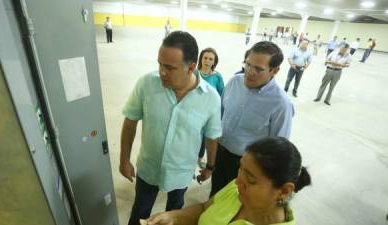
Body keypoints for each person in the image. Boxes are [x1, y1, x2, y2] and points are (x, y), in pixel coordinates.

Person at [119, 31, 222, 225]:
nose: (161, 72)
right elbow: (130, 122)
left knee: (175, 214)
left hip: (181, 172)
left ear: (191, 67)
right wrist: (124, 159)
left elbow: (211, 136)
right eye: (159, 63)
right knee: (140, 210)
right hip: (149, 168)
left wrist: (210, 167)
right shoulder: (147, 84)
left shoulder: (211, 98)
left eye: (169, 67)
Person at [145, 137, 312, 225]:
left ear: (283, 191)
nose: (238, 181)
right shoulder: (238, 189)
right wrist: (173, 217)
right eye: (241, 169)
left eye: (251, 180)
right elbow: (205, 208)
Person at [210, 41, 294, 197]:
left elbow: (278, 148)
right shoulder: (235, 82)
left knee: (237, 203)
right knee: (215, 196)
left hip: (248, 166)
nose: (249, 72)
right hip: (220, 154)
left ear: (274, 70)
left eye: (258, 69)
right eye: (248, 65)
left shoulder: (281, 104)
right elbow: (220, 115)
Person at [194, 47, 225, 168]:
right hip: (194, 113)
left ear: (214, 62)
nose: (207, 61)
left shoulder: (217, 77)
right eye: (205, 58)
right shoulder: (194, 74)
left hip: (209, 116)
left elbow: (222, 96)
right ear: (201, 59)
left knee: (205, 140)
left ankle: (199, 159)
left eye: (210, 59)